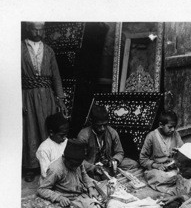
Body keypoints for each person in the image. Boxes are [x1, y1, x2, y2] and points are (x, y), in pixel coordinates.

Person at [22, 22, 68, 177]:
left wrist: (60, 99)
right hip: (27, 95)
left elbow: (56, 77)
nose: (37, 32)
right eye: (34, 28)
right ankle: (30, 167)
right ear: (28, 28)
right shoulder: (19, 49)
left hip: (47, 96)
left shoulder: (49, 50)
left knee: (46, 127)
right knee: (30, 129)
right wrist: (18, 100)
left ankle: (50, 166)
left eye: (40, 29)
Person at [37, 139, 104, 208]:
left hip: (81, 192)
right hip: (69, 198)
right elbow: (42, 189)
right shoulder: (55, 169)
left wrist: (90, 187)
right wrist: (59, 198)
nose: (75, 167)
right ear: (64, 158)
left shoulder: (78, 162)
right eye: (73, 165)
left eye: (77, 165)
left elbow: (84, 174)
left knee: (105, 197)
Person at [77, 105, 138, 179]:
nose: (102, 128)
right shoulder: (83, 136)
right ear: (92, 122)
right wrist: (93, 168)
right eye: (99, 125)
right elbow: (78, 160)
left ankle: (110, 176)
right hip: (92, 167)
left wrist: (114, 160)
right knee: (97, 177)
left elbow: (120, 152)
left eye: (105, 125)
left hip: (108, 165)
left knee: (133, 164)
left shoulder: (112, 132)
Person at [139, 110, 186, 193]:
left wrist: (179, 154)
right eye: (170, 127)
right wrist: (155, 165)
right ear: (161, 125)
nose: (173, 129)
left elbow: (183, 150)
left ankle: (173, 181)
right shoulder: (151, 136)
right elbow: (142, 159)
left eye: (174, 127)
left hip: (173, 167)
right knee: (159, 177)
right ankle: (172, 184)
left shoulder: (175, 134)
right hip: (158, 170)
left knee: (186, 172)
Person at [36, 112, 69, 178]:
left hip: (66, 176)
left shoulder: (66, 141)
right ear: (51, 133)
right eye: (62, 135)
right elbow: (45, 174)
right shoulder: (44, 149)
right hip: (53, 180)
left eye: (66, 134)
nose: (65, 138)